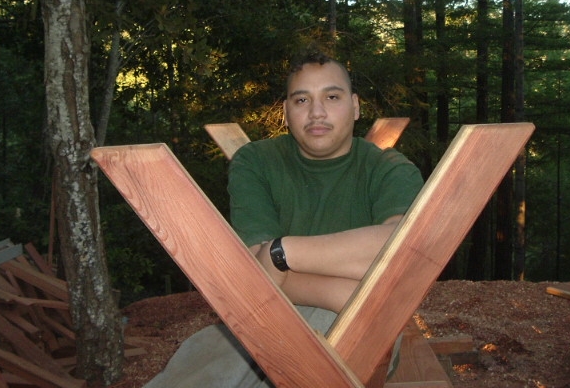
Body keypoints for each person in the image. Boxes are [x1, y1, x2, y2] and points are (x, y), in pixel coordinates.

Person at [144, 49, 424, 388]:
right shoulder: (256, 162)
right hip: (260, 318)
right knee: (203, 365)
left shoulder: (390, 170)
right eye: (302, 100)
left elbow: (400, 254)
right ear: (287, 110)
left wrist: (281, 253)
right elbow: (252, 272)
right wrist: (350, 292)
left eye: (331, 97)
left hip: (355, 334)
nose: (317, 112)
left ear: (355, 105)